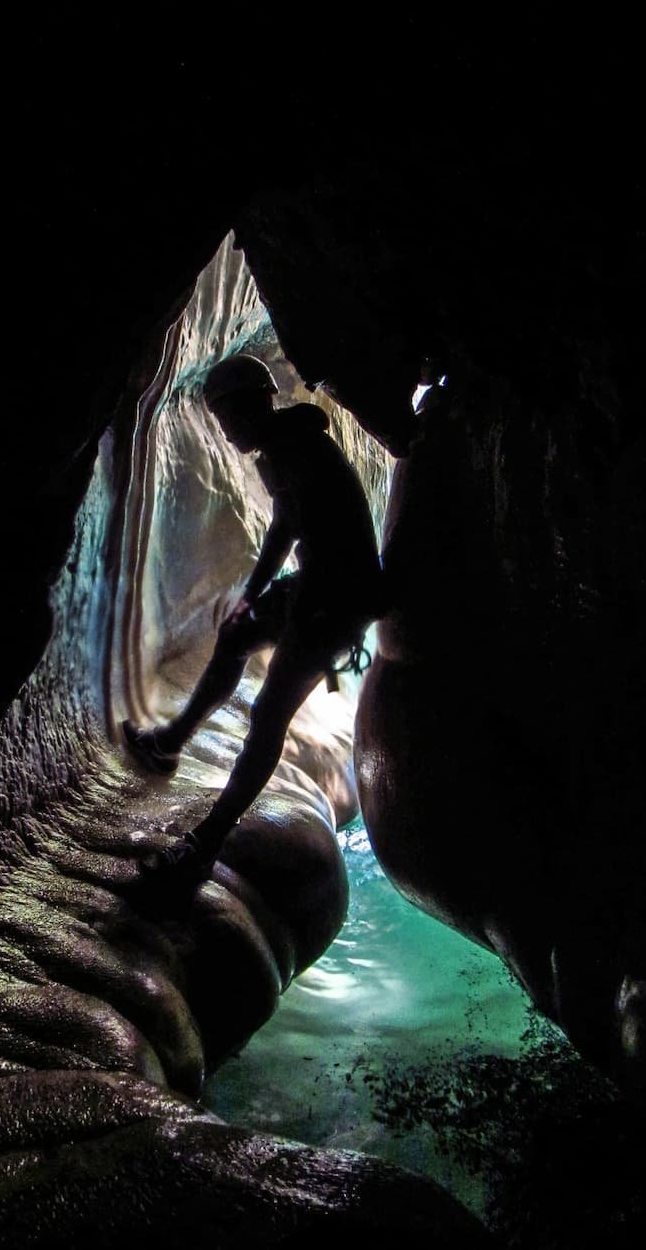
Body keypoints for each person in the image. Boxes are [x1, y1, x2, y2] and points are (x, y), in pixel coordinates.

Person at [123, 353, 385, 892]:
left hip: (338, 599)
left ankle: (202, 849)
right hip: (323, 587)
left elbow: (321, 543)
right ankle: (170, 740)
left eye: (227, 417)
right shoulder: (283, 447)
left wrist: (298, 626)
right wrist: (253, 595)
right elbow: (287, 527)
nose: (226, 429)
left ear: (252, 406)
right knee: (238, 634)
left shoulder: (298, 449)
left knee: (268, 715)